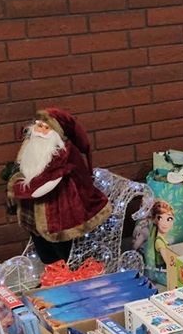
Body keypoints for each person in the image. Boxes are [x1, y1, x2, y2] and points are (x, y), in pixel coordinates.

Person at [7, 108, 111, 264]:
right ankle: (52, 269)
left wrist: (22, 189)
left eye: (46, 127)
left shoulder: (64, 152)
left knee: (62, 247)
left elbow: (50, 182)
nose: (40, 131)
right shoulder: (30, 145)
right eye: (38, 126)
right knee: (42, 245)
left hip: (60, 206)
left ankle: (68, 269)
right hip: (35, 210)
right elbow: (23, 166)